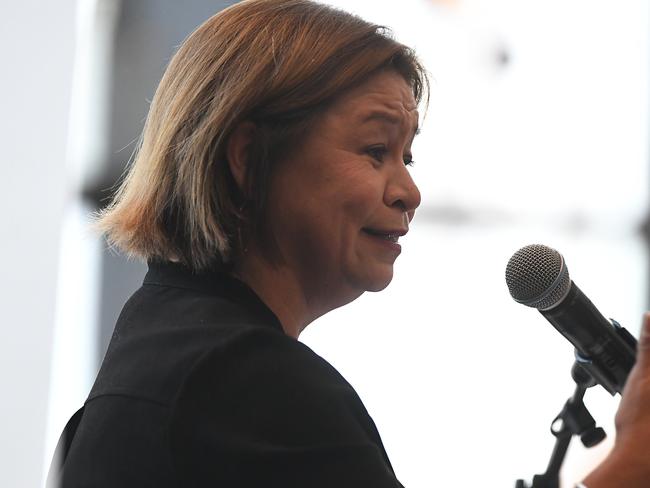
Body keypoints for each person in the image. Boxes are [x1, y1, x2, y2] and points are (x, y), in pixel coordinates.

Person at [48, 0, 650, 487]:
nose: (409, 190)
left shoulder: (162, 339)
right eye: (375, 151)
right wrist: (631, 469)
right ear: (246, 158)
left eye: (407, 156)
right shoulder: (245, 383)